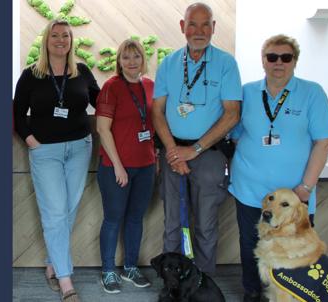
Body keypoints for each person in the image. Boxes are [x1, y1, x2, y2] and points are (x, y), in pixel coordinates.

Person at [228, 34, 328, 302]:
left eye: (286, 57)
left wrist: (305, 188)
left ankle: (294, 296)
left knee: (295, 250)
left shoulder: (312, 92)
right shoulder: (247, 92)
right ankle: (253, 292)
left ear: (294, 61)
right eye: (272, 57)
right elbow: (235, 133)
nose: (279, 62)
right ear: (263, 61)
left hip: (294, 198)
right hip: (250, 190)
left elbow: (323, 142)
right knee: (250, 245)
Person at [151, 2, 242, 274]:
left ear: (214, 28)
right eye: (193, 23)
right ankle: (172, 282)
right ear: (183, 27)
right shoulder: (168, 63)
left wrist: (194, 149)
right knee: (172, 224)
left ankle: (202, 282)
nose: (199, 30)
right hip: (173, 152)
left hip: (209, 155)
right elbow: (157, 111)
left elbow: (232, 114)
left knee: (205, 223)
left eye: (206, 24)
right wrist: (173, 151)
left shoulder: (226, 64)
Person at [13, 19, 100, 302]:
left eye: (66, 35)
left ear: (71, 40)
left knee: (69, 209)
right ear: (46, 40)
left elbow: (104, 103)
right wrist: (30, 141)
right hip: (45, 152)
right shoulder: (31, 75)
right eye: (55, 35)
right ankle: (65, 280)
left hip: (79, 148)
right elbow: (16, 113)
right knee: (54, 212)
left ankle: (53, 263)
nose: (61, 40)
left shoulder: (83, 72)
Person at [95, 39, 155, 294]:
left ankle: (130, 266)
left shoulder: (152, 86)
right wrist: (118, 166)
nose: (132, 62)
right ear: (119, 61)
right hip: (115, 167)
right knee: (113, 218)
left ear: (143, 59)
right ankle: (108, 270)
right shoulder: (111, 87)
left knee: (135, 218)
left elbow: (157, 124)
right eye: (126, 57)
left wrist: (156, 158)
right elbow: (102, 128)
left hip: (146, 165)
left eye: (136, 56)